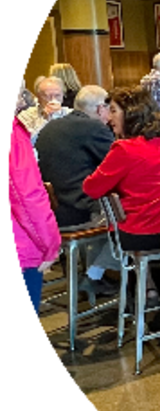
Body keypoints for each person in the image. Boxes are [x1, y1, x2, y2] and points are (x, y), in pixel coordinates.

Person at [83, 87, 160, 305]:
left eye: (114, 111)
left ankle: (149, 289)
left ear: (131, 113)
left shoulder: (124, 149)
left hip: (139, 236)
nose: (108, 118)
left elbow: (92, 188)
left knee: (138, 225)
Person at [9, 79, 61, 317]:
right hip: (20, 242)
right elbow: (26, 195)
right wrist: (50, 244)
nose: (23, 101)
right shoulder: (13, 135)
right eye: (20, 95)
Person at [36, 85, 114, 229]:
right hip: (84, 212)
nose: (110, 117)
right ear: (100, 108)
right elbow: (118, 164)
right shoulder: (94, 128)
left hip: (54, 213)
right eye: (110, 110)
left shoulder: (48, 128)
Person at [17, 76, 72, 144]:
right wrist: (44, 120)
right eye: (47, 96)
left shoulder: (70, 114)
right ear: (38, 98)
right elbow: (27, 143)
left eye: (57, 95)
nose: (53, 100)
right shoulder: (26, 116)